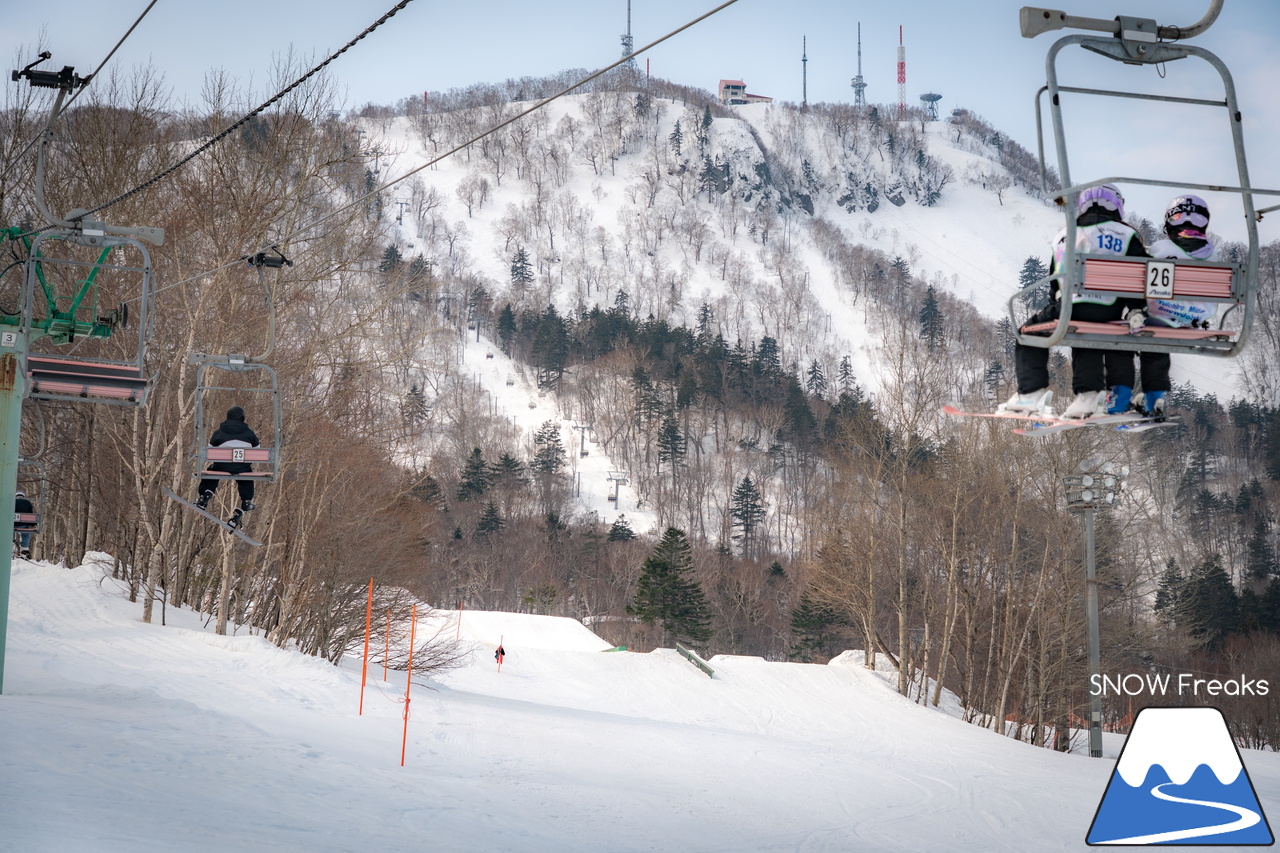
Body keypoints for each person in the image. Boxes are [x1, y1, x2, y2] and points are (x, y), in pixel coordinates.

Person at [1003, 184, 1149, 418]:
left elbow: (1055, 280)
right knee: (1088, 336)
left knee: (1027, 332)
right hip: (1109, 309)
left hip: (1070, 308)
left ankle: (1030, 394)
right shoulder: (1127, 235)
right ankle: (1087, 396)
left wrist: (1059, 302)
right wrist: (1134, 307)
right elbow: (1141, 275)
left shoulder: (1064, 234)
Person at [1126, 195, 1218, 419]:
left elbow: (1144, 278)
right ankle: (1155, 399)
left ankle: (1120, 393)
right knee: (1155, 337)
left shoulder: (1162, 247)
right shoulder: (1211, 253)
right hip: (1195, 315)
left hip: (1162, 312)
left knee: (1144, 335)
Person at [195, 405, 260, 524]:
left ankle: (205, 495)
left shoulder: (219, 432)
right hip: (242, 467)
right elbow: (257, 450)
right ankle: (246, 501)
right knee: (247, 476)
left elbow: (210, 451)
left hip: (221, 466)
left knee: (212, 471)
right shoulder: (249, 433)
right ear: (242, 418)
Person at [14, 489, 34, 557]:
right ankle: (24, 548)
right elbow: (30, 514)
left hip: (11, 525)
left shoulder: (11, 501)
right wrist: (32, 524)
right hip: (23, 525)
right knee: (25, 534)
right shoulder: (27, 503)